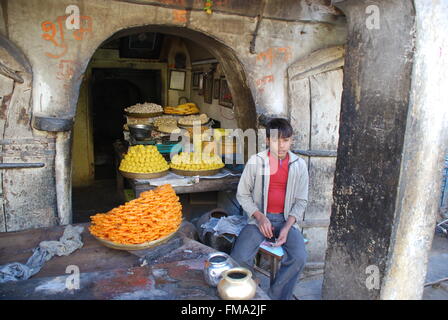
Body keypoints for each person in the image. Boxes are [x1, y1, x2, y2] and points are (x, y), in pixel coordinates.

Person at [230, 118, 308, 300]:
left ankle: (276, 296)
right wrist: (259, 217)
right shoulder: (256, 162)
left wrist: (288, 228)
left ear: (292, 140)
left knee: (299, 257)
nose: (281, 146)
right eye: (275, 140)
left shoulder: (299, 166)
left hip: (285, 220)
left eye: (285, 140)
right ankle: (251, 289)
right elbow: (242, 194)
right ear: (266, 140)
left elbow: (301, 201)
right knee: (239, 256)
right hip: (258, 221)